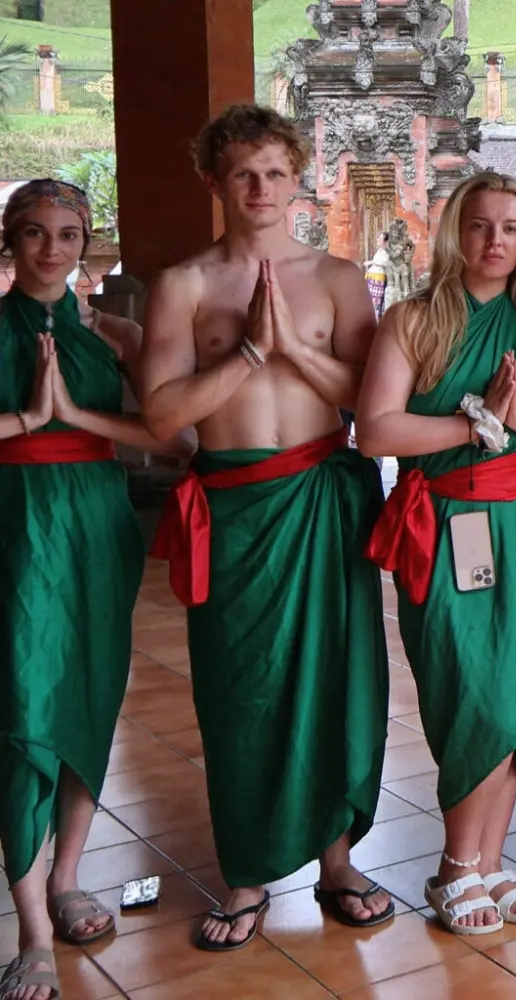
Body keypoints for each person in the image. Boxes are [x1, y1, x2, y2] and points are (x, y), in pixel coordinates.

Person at [136, 105, 392, 951]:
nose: (260, 188)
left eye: (276, 173)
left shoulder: (338, 278)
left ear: (298, 180)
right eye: (243, 173)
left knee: (338, 681)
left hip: (322, 499)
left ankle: (338, 861)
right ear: (212, 180)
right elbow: (162, 414)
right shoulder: (184, 286)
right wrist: (247, 352)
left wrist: (293, 349)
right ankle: (245, 874)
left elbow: (370, 402)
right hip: (236, 509)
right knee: (239, 690)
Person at [356, 171, 516, 936]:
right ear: (456, 233)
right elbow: (376, 431)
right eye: (480, 225)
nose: (495, 241)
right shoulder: (415, 321)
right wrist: (476, 424)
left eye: (510, 227)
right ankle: (454, 866)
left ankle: (489, 862)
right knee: (472, 687)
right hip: (452, 521)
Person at [0, 181, 187, 1000]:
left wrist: (77, 415)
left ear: (86, 242)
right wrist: (29, 420)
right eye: (34, 233)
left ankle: (67, 877)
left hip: (97, 523)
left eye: (68, 234)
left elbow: (172, 435)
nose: (53, 249)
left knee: (90, 693)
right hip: (14, 520)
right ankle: (31, 928)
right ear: (10, 240)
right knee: (23, 700)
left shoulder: (117, 335)